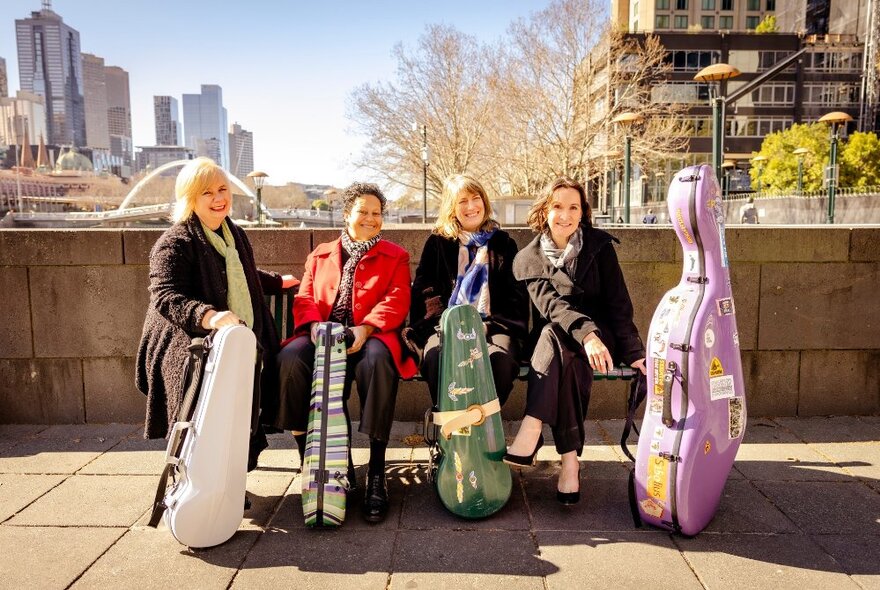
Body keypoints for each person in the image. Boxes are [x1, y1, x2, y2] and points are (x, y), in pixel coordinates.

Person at [136, 157, 297, 469]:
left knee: (242, 402)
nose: (219, 198)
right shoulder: (174, 242)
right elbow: (165, 296)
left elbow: (242, 274)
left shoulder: (234, 233)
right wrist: (208, 316)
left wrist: (277, 281)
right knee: (202, 401)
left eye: (223, 189)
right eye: (207, 193)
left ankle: (229, 476)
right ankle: (197, 476)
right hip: (187, 341)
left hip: (234, 338)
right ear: (190, 198)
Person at [275, 182, 416, 523]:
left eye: (377, 213)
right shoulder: (320, 253)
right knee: (290, 361)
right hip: (322, 334)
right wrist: (312, 327)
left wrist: (366, 328)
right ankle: (317, 460)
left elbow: (396, 299)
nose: (371, 218)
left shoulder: (396, 256)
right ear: (347, 214)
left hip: (370, 336)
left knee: (378, 363)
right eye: (363, 212)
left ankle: (377, 474)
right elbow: (305, 297)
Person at [505, 177, 646, 505]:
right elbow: (553, 307)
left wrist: (633, 350)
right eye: (557, 206)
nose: (565, 215)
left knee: (559, 343)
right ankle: (570, 462)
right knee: (558, 341)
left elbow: (618, 304)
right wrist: (586, 337)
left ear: (583, 212)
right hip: (556, 342)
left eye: (573, 207)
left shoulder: (599, 247)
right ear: (544, 210)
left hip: (601, 337)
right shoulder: (528, 259)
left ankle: (533, 425)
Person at [407, 174, 529, 409]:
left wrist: (485, 326)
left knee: (501, 362)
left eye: (476, 198)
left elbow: (517, 295)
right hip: (445, 324)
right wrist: (450, 323)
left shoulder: (504, 243)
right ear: (452, 207)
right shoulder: (438, 243)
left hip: (493, 326)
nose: (471, 206)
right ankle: (450, 426)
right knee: (435, 358)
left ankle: (481, 426)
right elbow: (424, 290)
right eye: (462, 201)